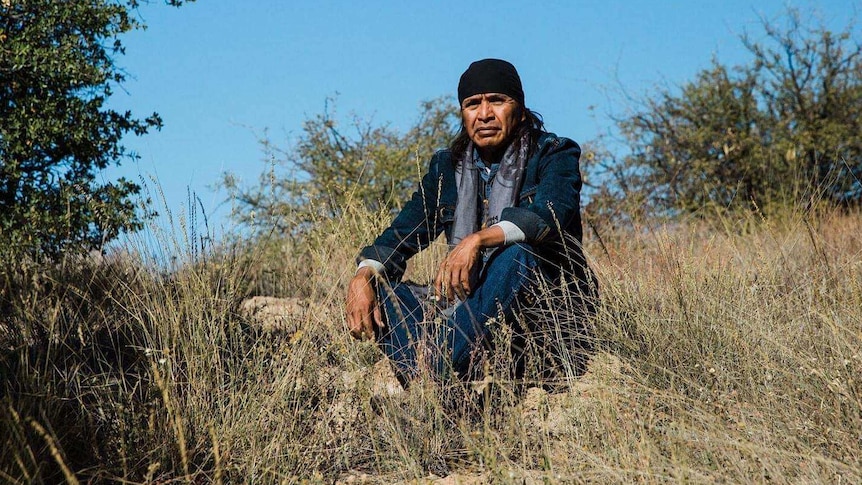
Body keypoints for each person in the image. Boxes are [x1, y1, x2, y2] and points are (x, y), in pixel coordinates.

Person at [345, 59, 596, 386]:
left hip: (538, 313)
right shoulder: (447, 168)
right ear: (463, 113)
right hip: (468, 311)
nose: (485, 113)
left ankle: (431, 373)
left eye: (497, 100)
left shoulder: (553, 153)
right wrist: (363, 275)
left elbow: (552, 213)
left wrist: (477, 240)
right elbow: (400, 234)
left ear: (519, 109)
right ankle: (441, 372)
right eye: (473, 104)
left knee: (518, 254)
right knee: (379, 285)